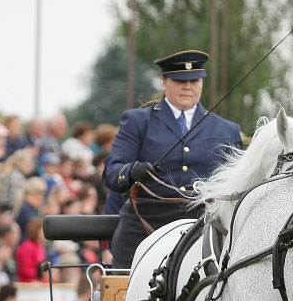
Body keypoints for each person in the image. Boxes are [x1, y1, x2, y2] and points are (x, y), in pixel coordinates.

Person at [103, 49, 243, 267]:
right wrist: (131, 171)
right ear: (164, 82)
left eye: (194, 80)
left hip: (203, 229)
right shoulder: (138, 121)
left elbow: (239, 187)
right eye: (179, 80)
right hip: (143, 228)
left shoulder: (226, 130)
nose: (187, 86)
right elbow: (111, 173)